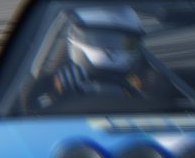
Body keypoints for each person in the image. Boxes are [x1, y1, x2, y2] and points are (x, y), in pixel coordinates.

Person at [33, 6, 171, 108]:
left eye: (123, 41)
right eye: (102, 39)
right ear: (75, 36)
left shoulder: (144, 80)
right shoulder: (53, 82)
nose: (111, 48)